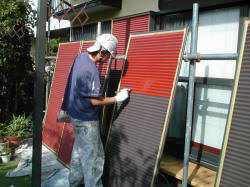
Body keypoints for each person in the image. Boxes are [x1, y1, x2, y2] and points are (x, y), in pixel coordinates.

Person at [61, 33, 130, 187]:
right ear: (102, 52)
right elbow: (93, 100)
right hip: (86, 121)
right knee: (94, 159)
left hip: (74, 115)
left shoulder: (80, 57)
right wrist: (117, 98)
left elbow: (70, 81)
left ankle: (75, 183)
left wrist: (64, 107)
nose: (107, 60)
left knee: (79, 153)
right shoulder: (91, 71)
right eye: (108, 56)